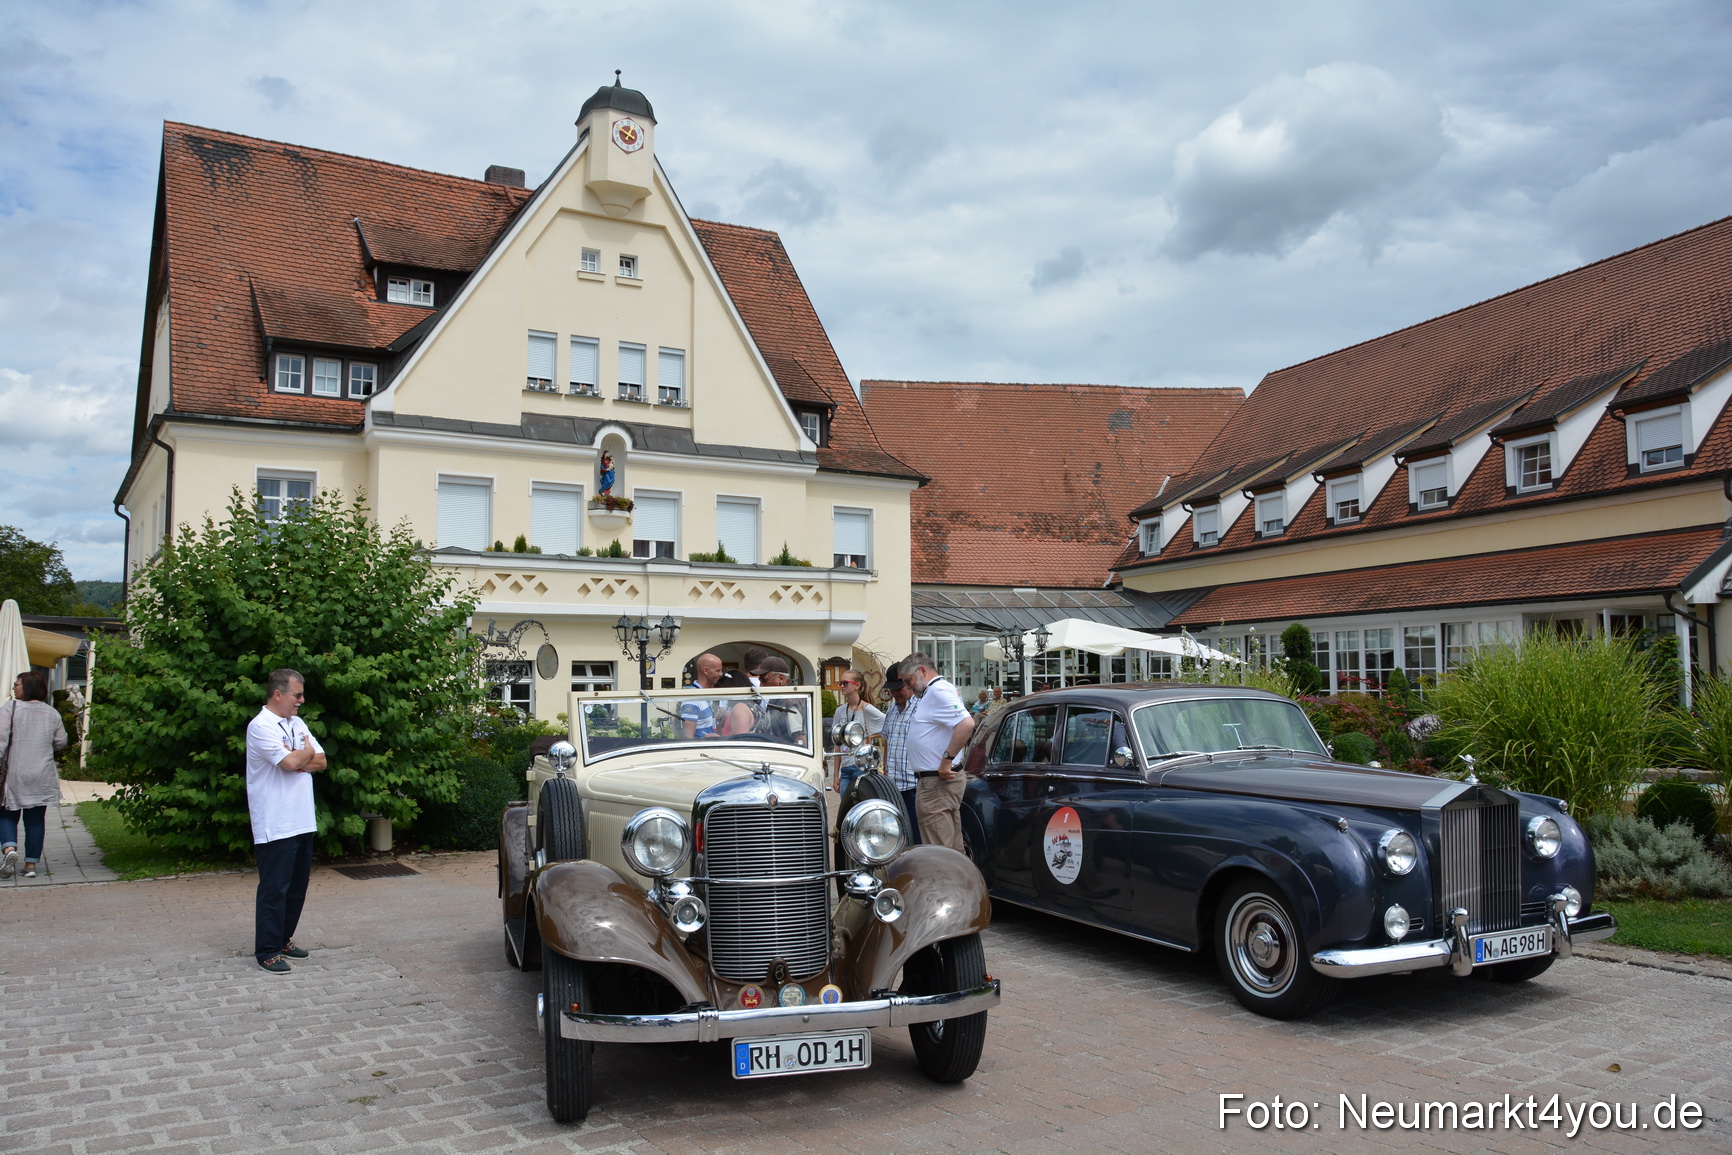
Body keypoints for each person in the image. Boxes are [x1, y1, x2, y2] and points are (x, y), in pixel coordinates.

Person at [247, 668, 326, 974]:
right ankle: (266, 951)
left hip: (301, 819)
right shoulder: (260, 726)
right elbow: (293, 761)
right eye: (297, 695)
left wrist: (299, 757)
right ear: (278, 694)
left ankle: (283, 940)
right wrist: (301, 755)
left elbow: (321, 760)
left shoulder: (297, 723)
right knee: (274, 888)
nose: (301, 701)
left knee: (296, 887)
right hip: (275, 822)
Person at [902, 651, 974, 854]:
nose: (907, 687)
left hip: (937, 783)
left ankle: (947, 886)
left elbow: (966, 724)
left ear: (922, 671)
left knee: (939, 853)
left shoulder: (937, 691)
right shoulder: (939, 689)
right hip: (938, 782)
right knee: (950, 848)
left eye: (909, 681)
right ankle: (958, 885)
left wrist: (946, 760)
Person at [1, 671, 68, 880]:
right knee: (36, 820)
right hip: (42, 774)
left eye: (17, 684)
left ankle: (9, 850)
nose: (14, 687)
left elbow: (1, 741)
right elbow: (61, 742)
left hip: (15, 772)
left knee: (6, 814)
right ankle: (30, 865)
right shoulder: (52, 713)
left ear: (28, 687)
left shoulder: (10, 709)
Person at [878, 663, 920, 845]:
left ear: (909, 684)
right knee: (896, 835)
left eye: (898, 688)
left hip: (914, 785)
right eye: (891, 690)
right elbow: (887, 741)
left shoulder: (922, 707)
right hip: (894, 786)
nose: (894, 693)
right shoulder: (892, 709)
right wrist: (886, 769)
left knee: (915, 835)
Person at [829, 670, 885, 796]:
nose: (842, 686)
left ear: (857, 685)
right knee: (845, 806)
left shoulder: (867, 709)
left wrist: (868, 736)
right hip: (845, 769)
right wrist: (835, 775)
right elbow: (837, 744)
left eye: (845, 683)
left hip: (862, 767)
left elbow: (889, 726)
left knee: (860, 805)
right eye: (840, 683)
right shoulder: (840, 711)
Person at [680, 652, 723, 739]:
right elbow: (687, 738)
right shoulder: (692, 700)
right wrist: (704, 739)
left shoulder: (706, 695)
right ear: (706, 670)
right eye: (718, 671)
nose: (721, 674)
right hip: (700, 751)